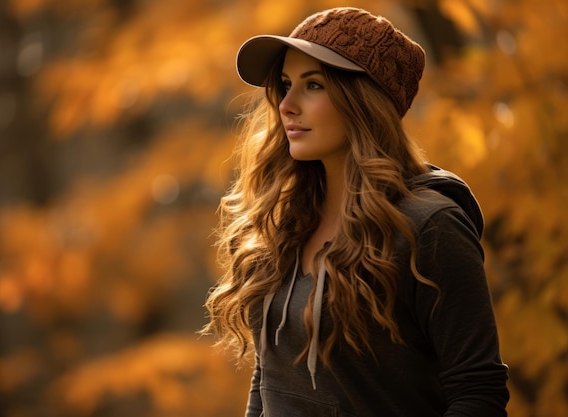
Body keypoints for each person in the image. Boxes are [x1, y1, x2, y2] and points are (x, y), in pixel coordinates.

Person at [202, 7, 509, 417]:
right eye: (286, 84)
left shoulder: (429, 227)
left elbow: (478, 393)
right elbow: (270, 379)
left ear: (363, 102)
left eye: (313, 85)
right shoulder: (287, 220)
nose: (287, 105)